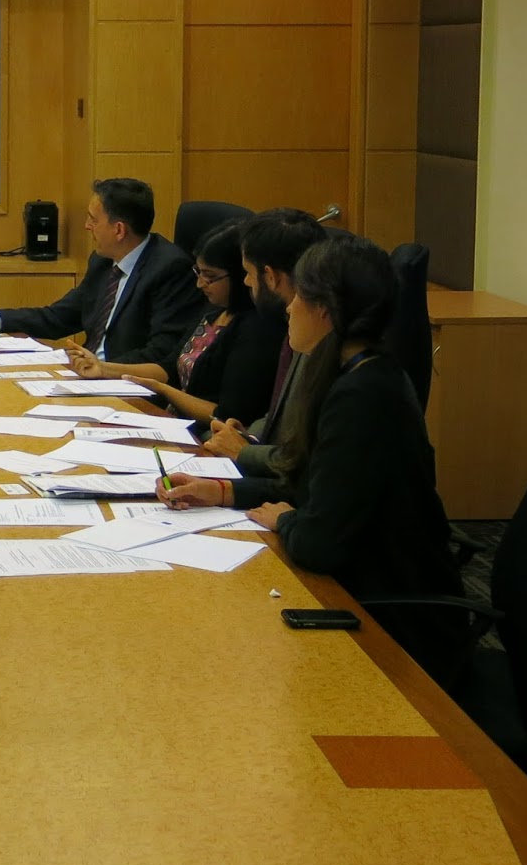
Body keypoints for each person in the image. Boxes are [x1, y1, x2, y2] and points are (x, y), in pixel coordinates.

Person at [161, 235, 470, 686]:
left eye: (299, 296)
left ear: (325, 309)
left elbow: (317, 541)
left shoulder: (361, 397)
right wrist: (222, 491)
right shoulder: (359, 372)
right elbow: (308, 486)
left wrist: (286, 520)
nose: (289, 307)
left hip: (391, 624)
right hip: (362, 584)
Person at [0, 177, 202, 372]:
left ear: (119, 230)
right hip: (87, 377)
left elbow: (161, 354)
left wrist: (102, 369)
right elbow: (59, 317)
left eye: (93, 219)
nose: (87, 226)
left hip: (128, 386)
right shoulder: (103, 262)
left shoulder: (170, 269)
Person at [67, 222, 284, 428]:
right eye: (198, 272)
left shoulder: (256, 329)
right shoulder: (214, 309)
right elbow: (168, 369)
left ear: (239, 276)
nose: (200, 284)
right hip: (172, 422)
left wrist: (164, 390)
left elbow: (228, 416)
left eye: (210, 276)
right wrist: (103, 368)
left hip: (205, 435)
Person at [204, 208, 328, 476]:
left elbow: (304, 458)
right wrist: (246, 435)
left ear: (271, 276)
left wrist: (242, 450)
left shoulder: (318, 339)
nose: (246, 282)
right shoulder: (293, 325)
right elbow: (279, 417)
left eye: (248, 272)